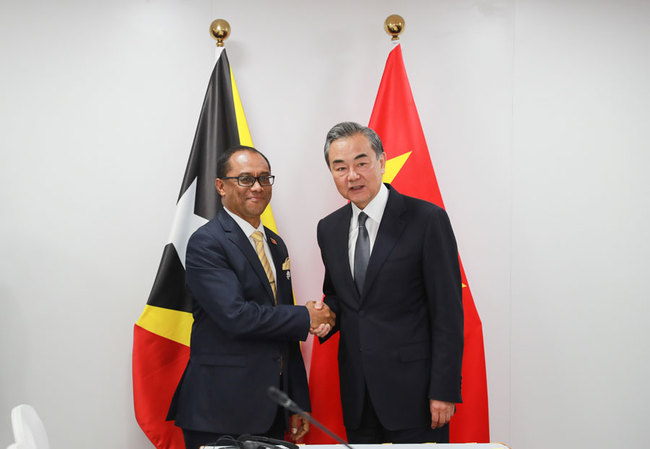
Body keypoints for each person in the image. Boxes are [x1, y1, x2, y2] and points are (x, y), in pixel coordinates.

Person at [167, 145, 335, 449]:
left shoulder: (275, 244)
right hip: (219, 411)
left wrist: (296, 400)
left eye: (264, 178)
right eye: (244, 179)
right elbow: (236, 316)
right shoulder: (207, 242)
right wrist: (306, 316)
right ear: (221, 186)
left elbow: (284, 331)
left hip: (270, 410)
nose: (257, 187)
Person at [316, 122, 464, 444]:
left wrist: (444, 389)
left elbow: (448, 312)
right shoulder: (328, 228)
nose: (352, 175)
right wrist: (325, 315)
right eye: (340, 167)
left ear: (382, 161)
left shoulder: (427, 220)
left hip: (417, 394)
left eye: (361, 163)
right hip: (357, 393)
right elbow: (340, 295)